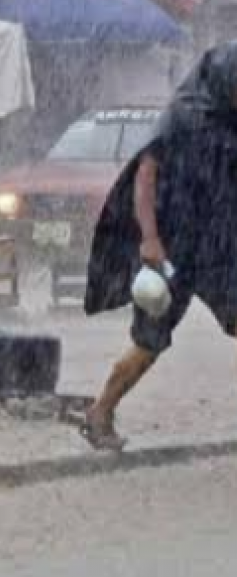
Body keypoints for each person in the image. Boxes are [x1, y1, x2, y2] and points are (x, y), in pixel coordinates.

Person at [82, 42, 237, 450]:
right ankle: (100, 412)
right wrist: (150, 240)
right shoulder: (182, 117)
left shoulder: (232, 120)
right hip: (171, 248)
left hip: (218, 247)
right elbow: (144, 176)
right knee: (149, 342)